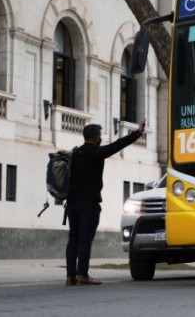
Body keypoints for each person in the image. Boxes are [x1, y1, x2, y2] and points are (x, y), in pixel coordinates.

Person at [65, 118, 146, 286]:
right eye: (100, 135)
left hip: (72, 204)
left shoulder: (75, 155)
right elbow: (118, 145)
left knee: (73, 239)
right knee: (85, 240)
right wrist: (137, 133)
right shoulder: (96, 153)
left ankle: (70, 276)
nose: (100, 138)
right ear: (96, 138)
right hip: (88, 205)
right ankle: (83, 275)